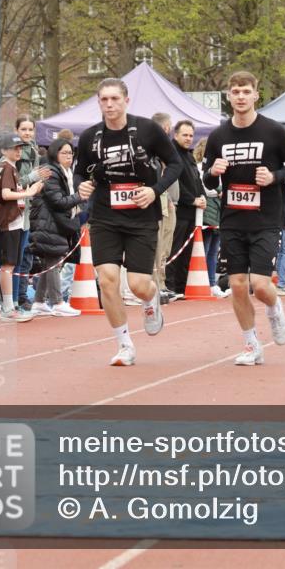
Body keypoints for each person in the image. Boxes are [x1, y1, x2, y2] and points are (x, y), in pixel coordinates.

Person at [74, 78, 183, 366]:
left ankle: (151, 299)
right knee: (107, 281)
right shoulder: (89, 137)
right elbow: (79, 172)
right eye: (104, 100)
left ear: (126, 101)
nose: (109, 105)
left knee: (137, 284)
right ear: (99, 102)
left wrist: (154, 190)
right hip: (105, 217)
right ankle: (124, 344)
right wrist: (82, 187)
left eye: (115, 99)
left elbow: (176, 164)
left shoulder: (148, 130)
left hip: (142, 217)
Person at [203, 71, 285, 366]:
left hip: (266, 218)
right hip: (232, 218)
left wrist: (273, 176)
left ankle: (274, 309)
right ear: (229, 96)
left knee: (259, 284)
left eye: (246, 91)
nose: (241, 96)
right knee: (236, 285)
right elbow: (207, 183)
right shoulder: (219, 135)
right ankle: (251, 344)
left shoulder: (273, 131)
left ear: (256, 95)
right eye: (235, 92)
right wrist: (213, 172)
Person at [29, 138, 89, 317]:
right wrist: (80, 196)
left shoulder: (65, 172)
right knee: (54, 261)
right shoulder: (51, 173)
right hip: (49, 222)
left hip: (56, 222)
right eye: (64, 153)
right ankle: (57, 302)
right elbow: (58, 201)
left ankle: (39, 301)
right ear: (55, 154)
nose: (69, 156)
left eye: (71, 153)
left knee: (51, 262)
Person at [0, 133, 43, 322]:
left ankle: (10, 305)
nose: (19, 151)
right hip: (10, 222)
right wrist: (29, 191)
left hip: (16, 221)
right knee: (8, 265)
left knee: (11, 265)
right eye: (15, 148)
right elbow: (6, 194)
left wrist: (28, 191)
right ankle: (7, 307)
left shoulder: (11, 169)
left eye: (20, 147)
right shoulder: (6, 168)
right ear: (4, 150)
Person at [164, 120, 206, 300]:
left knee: (187, 251)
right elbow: (175, 182)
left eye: (191, 135)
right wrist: (192, 199)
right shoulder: (171, 154)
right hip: (179, 210)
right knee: (174, 250)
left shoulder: (189, 155)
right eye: (185, 135)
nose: (189, 138)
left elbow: (196, 179)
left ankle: (181, 286)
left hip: (193, 212)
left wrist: (202, 196)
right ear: (175, 135)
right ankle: (170, 285)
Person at [14, 117, 51, 310]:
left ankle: (21, 295)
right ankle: (17, 296)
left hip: (32, 207)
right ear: (17, 130)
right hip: (18, 209)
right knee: (19, 255)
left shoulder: (34, 149)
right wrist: (37, 176)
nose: (27, 133)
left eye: (30, 129)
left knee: (27, 254)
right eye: (23, 129)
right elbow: (18, 180)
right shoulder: (17, 151)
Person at [150, 112, 179, 301]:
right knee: (158, 246)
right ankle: (155, 284)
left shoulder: (166, 150)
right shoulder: (153, 148)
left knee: (166, 247)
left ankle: (161, 282)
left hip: (169, 201)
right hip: (159, 201)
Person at [193, 138, 225, 298]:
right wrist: (219, 191)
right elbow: (205, 188)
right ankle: (203, 282)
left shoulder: (218, 169)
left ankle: (212, 283)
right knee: (204, 250)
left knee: (213, 251)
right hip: (206, 212)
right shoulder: (200, 168)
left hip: (218, 212)